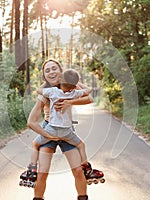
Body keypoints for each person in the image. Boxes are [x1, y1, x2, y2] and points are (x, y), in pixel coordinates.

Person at [26, 59, 92, 200]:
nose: (51, 72)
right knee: (43, 172)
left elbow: (89, 97)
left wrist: (69, 102)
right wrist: (48, 136)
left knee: (78, 170)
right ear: (44, 75)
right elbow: (31, 121)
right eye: (47, 70)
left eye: (54, 68)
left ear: (61, 71)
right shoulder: (46, 92)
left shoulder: (70, 82)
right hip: (49, 129)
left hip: (66, 130)